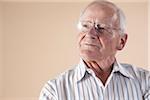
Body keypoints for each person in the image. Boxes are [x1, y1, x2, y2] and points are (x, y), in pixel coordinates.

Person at [39, 0, 150, 100]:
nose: (89, 34)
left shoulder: (145, 82)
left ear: (121, 41)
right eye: (85, 26)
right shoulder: (54, 91)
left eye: (101, 27)